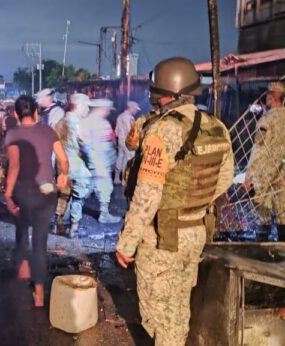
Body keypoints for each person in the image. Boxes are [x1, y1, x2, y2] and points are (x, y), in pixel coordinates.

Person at [116, 57, 234, 345]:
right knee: (179, 306)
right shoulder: (216, 126)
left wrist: (127, 243)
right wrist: (193, 204)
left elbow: (147, 194)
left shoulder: (162, 130)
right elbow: (225, 178)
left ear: (165, 92)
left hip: (163, 237)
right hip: (196, 231)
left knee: (160, 314)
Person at [4, 95, 69, 307]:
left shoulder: (13, 134)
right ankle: (39, 294)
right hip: (47, 191)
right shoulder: (48, 131)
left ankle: (23, 265)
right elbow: (63, 159)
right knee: (40, 244)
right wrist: (63, 174)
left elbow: (14, 167)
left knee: (22, 228)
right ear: (35, 112)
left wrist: (8, 193)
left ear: (16, 114)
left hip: (25, 191)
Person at [243, 82, 285, 241]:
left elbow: (259, 149)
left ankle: (262, 244)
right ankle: (284, 243)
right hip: (282, 167)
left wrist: (249, 176)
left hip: (264, 169)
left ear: (271, 97)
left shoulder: (266, 120)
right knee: (282, 207)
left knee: (262, 207)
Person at [53, 93, 93, 238]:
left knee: (63, 195)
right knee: (78, 196)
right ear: (79, 106)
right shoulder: (79, 124)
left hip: (61, 164)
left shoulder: (60, 122)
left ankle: (57, 224)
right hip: (76, 165)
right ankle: (74, 228)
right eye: (86, 106)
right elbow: (86, 146)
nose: (88, 109)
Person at [80, 99, 123, 224]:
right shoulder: (88, 122)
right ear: (100, 108)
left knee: (88, 188)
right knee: (104, 188)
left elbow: (108, 142)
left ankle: (67, 212)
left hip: (101, 162)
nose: (108, 112)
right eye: (107, 110)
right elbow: (85, 145)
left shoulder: (101, 122)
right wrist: (95, 161)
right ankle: (104, 215)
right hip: (97, 162)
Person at [115, 101, 141, 184]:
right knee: (128, 160)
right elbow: (131, 131)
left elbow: (116, 132)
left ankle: (116, 178)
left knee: (120, 158)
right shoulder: (130, 118)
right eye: (135, 109)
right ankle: (124, 180)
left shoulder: (120, 116)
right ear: (131, 108)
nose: (136, 111)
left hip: (120, 141)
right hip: (128, 142)